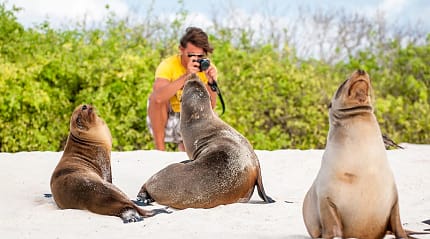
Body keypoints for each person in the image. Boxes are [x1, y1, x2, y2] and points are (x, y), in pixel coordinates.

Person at [146, 27, 218, 151]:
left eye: (200, 55)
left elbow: (211, 105)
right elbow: (157, 98)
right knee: (154, 99)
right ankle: (160, 150)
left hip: (192, 117)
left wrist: (212, 83)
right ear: (181, 49)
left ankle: (187, 149)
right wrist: (186, 76)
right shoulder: (168, 65)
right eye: (191, 55)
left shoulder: (206, 68)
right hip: (169, 116)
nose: (195, 59)